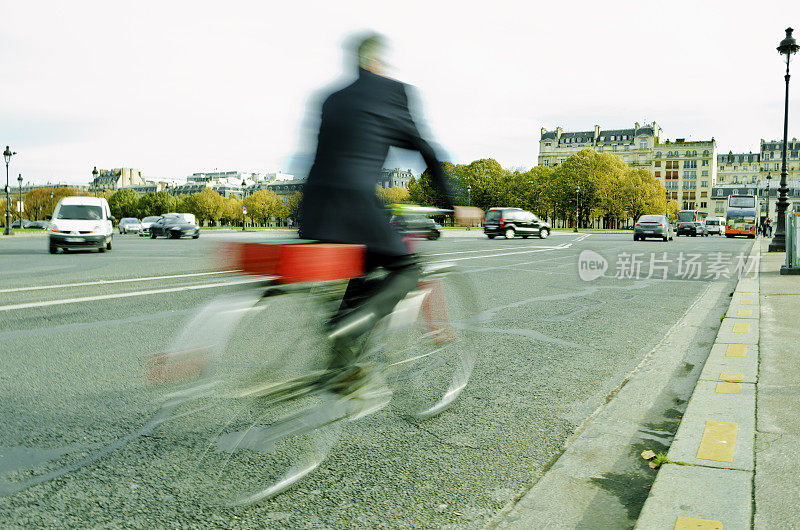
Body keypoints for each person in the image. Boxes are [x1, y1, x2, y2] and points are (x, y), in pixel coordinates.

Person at [298, 33, 472, 395]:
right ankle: (350, 330)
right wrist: (453, 201)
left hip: (314, 210)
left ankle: (341, 368)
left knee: (361, 268)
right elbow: (424, 148)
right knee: (407, 271)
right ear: (377, 63)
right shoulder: (393, 92)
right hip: (356, 205)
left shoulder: (332, 98)